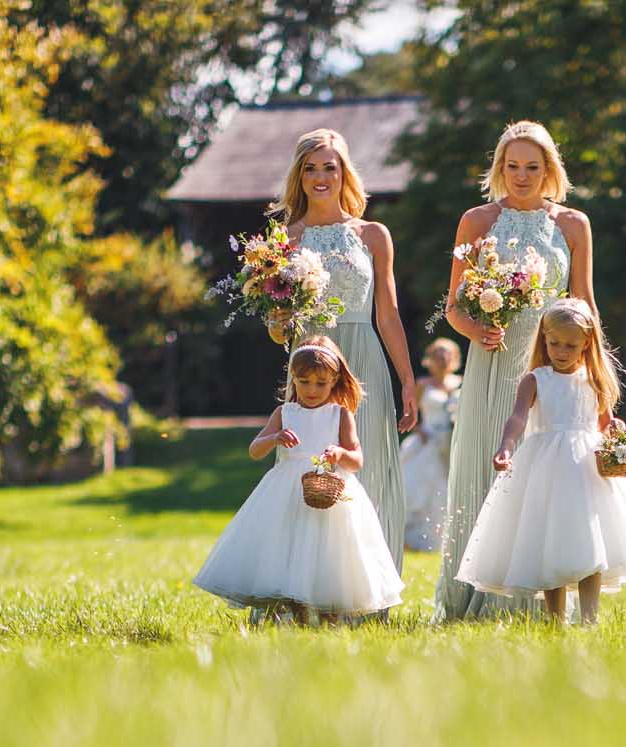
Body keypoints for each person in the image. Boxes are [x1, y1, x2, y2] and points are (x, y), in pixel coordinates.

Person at [433, 120, 597, 622]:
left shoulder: (573, 224)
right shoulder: (477, 220)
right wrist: (475, 331)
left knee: (548, 478)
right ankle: (480, 595)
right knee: (491, 466)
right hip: (493, 361)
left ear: (550, 169)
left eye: (532, 166)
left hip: (553, 365)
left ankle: (539, 597)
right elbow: (454, 306)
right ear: (499, 168)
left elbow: (585, 303)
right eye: (512, 166)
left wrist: (596, 378)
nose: (522, 176)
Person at [455, 299, 626, 624]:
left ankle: (590, 618)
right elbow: (517, 418)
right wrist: (506, 446)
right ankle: (556, 618)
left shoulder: (593, 380)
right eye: (554, 342)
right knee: (553, 537)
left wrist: (617, 431)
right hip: (547, 467)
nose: (561, 350)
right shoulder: (536, 379)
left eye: (570, 344)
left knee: (591, 539)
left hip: (588, 470)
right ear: (544, 340)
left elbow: (605, 423)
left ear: (586, 343)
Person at [273, 127, 418, 567]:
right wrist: (278, 321)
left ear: (344, 173)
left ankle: (368, 588)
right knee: (305, 470)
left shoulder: (373, 235)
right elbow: (279, 333)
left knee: (365, 467)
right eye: (310, 168)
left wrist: (408, 381)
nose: (320, 177)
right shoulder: (285, 238)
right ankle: (305, 585)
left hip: (364, 362)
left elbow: (388, 315)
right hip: (308, 365)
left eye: (329, 167)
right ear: (299, 176)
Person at [193, 339, 404, 624]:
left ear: (334, 381)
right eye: (304, 382)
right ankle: (288, 611)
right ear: (293, 379)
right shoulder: (285, 413)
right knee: (287, 546)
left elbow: (357, 460)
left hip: (329, 492)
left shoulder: (340, 414)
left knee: (329, 549)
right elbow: (255, 450)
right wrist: (275, 438)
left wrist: (339, 453)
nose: (312, 390)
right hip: (286, 492)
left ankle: (329, 613)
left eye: (320, 383)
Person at [400, 338, 462, 550]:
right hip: (428, 442)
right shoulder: (423, 385)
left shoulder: (461, 382)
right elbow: (411, 416)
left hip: (453, 443)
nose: (442, 360)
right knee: (423, 488)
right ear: (430, 360)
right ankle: (414, 539)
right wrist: (422, 432)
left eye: (446, 355)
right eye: (438, 356)